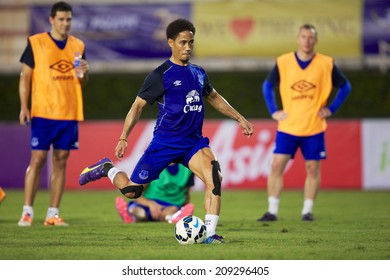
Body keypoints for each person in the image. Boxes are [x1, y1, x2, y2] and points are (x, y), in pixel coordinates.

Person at [79, 18, 254, 243]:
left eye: (191, 42)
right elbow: (137, 107)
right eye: (183, 42)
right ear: (171, 42)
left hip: (193, 143)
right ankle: (106, 169)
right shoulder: (160, 75)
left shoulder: (199, 73)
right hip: (164, 143)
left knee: (215, 178)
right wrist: (123, 137)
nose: (188, 47)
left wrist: (240, 118)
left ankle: (210, 235)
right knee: (133, 192)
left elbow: (214, 97)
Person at [258, 23, 352, 222]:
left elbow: (345, 87)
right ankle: (272, 210)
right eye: (303, 37)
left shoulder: (326, 63)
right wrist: (274, 111)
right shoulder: (283, 62)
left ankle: (307, 211)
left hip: (314, 126)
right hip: (288, 126)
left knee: (312, 168)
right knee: (276, 166)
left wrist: (331, 109)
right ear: (297, 39)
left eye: (310, 37)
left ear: (315, 40)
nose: (307, 41)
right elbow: (267, 86)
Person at [17, 1, 89, 226]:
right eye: (61, 19)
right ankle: (27, 212)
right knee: (37, 159)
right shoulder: (36, 43)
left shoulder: (78, 45)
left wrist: (84, 74)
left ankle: (52, 214)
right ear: (51, 20)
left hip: (68, 113)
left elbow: (81, 81)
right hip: (43, 111)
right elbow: (25, 78)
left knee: (60, 161)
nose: (65, 23)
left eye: (68, 19)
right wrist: (24, 107)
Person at [115, 163, 195, 224]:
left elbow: (186, 193)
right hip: (148, 202)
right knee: (138, 211)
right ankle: (130, 216)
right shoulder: (152, 164)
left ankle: (176, 216)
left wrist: (185, 207)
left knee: (171, 211)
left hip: (171, 205)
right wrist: (150, 204)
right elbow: (135, 191)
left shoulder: (188, 167)